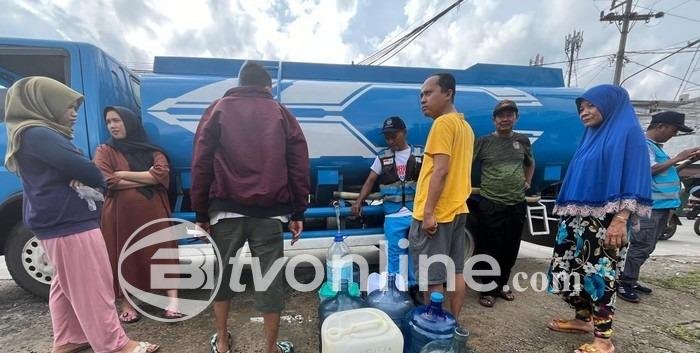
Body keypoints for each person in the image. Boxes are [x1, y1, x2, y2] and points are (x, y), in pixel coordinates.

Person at [4, 76, 158, 353]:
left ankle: (69, 338)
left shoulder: (29, 133)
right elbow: (90, 171)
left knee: (65, 285)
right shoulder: (39, 133)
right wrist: (86, 174)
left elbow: (83, 170)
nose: (74, 113)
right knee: (92, 285)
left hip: (56, 220)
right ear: (46, 104)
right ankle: (114, 345)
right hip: (68, 221)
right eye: (68, 106)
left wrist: (83, 173)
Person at [191, 62, 310, 353]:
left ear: (241, 83)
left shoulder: (217, 109)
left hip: (225, 211)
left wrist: (201, 213)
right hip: (269, 213)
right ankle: (270, 349)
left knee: (222, 276)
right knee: (269, 281)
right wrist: (297, 212)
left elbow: (201, 162)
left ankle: (221, 342)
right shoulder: (281, 113)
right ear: (267, 87)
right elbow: (298, 165)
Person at [547, 84, 652, 353]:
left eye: (592, 105)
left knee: (601, 276)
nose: (585, 112)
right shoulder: (589, 137)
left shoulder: (628, 134)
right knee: (572, 271)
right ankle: (582, 320)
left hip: (606, 220)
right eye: (581, 108)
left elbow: (635, 176)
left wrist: (621, 219)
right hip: (577, 218)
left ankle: (603, 340)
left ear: (609, 104)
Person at [93, 106, 181, 322]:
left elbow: (160, 174)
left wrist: (123, 174)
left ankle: (173, 301)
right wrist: (146, 176)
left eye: (117, 120)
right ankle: (128, 303)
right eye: (109, 122)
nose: (113, 125)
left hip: (153, 212)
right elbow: (106, 180)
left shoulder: (152, 150)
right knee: (124, 254)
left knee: (162, 251)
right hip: (120, 217)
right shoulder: (104, 151)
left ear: (130, 122)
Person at [409, 73, 473, 318]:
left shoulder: (443, 124)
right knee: (456, 271)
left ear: (448, 93)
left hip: (438, 213)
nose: (423, 100)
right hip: (458, 209)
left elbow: (441, 170)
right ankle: (453, 323)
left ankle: (434, 332)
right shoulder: (465, 127)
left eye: (428, 93)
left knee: (432, 276)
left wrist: (428, 212)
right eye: (421, 95)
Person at [618, 111, 699, 303]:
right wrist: (678, 157)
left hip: (663, 206)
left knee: (648, 246)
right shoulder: (644, 146)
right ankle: (624, 282)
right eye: (674, 130)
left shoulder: (656, 148)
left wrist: (687, 162)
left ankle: (631, 278)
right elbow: (648, 170)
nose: (674, 134)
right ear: (661, 126)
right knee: (641, 245)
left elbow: (667, 172)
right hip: (650, 206)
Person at [472, 99, 535, 307]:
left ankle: (501, 285)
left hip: (516, 203)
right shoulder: (483, 142)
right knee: (489, 247)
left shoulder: (522, 141)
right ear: (494, 119)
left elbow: (530, 163)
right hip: (491, 202)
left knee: (511, 247)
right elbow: (466, 164)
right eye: (501, 115)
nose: (505, 119)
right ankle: (487, 289)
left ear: (516, 118)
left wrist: (528, 181)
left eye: (510, 114)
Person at [351, 116, 422, 295]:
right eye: (387, 137)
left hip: (416, 212)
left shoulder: (421, 154)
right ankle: (396, 289)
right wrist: (359, 201)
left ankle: (415, 288)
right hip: (393, 215)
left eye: (394, 136)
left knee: (416, 253)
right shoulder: (382, 157)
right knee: (394, 254)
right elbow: (371, 180)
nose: (390, 141)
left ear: (404, 133)